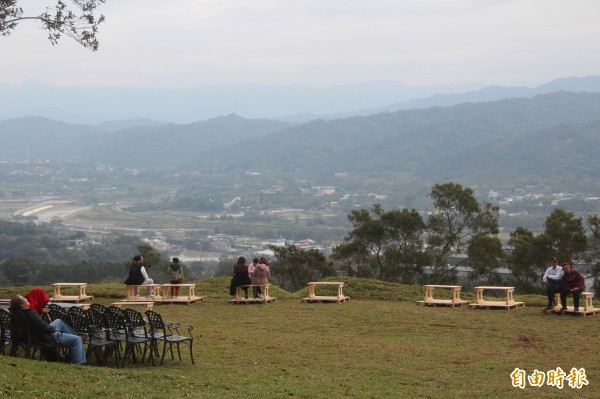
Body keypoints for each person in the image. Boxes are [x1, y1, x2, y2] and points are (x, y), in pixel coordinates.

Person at [10, 295, 86, 365]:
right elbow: (44, 328)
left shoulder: (16, 313)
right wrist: (55, 329)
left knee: (58, 321)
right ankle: (78, 364)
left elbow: (40, 326)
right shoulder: (29, 313)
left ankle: (75, 338)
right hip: (43, 336)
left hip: (34, 334)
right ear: (22, 305)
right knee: (77, 340)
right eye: (24, 299)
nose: (26, 299)